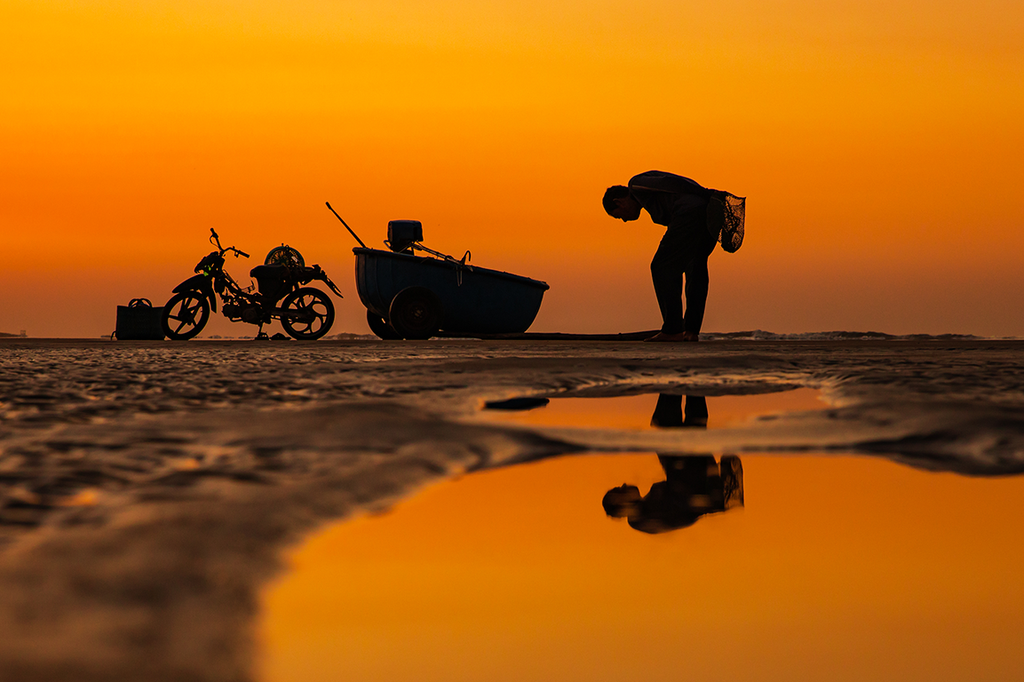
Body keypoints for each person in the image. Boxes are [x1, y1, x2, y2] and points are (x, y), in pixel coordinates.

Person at [603, 171, 719, 342]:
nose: (624, 221)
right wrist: (707, 197)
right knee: (695, 266)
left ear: (619, 202)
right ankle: (691, 331)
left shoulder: (635, 184)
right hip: (709, 214)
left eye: (619, 216)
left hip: (690, 213)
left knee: (661, 267)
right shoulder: (649, 198)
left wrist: (707, 193)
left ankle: (673, 330)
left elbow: (670, 182)